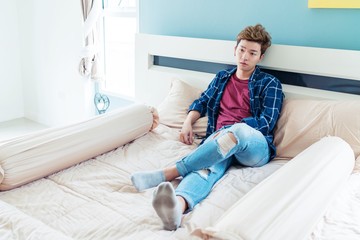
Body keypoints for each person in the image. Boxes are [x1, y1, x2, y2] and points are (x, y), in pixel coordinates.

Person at [131, 24, 284, 231]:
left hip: (253, 147)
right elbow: (202, 102)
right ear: (235, 49)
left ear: (260, 57)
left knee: (235, 132)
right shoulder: (222, 78)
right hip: (220, 142)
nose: (245, 57)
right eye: (241, 50)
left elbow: (267, 121)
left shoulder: (269, 83)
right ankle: (177, 208)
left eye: (252, 53)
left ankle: (167, 173)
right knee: (206, 167)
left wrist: (229, 129)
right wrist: (187, 123)